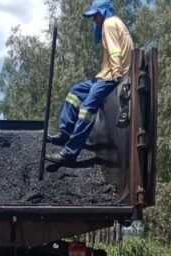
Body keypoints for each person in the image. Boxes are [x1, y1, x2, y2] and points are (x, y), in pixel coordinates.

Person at [47, 0, 133, 167]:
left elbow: (115, 51)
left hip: (113, 77)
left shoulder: (109, 24)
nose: (94, 20)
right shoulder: (117, 23)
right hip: (105, 75)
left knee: (87, 109)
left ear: (103, 12)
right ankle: (67, 132)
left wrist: (117, 76)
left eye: (95, 16)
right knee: (75, 92)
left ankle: (69, 153)